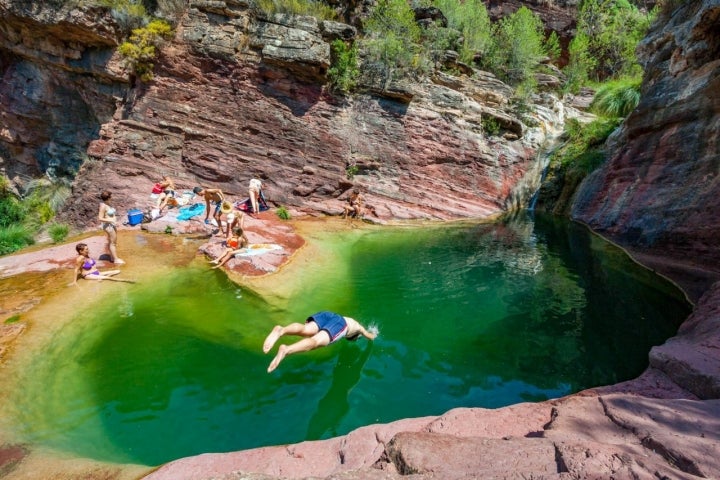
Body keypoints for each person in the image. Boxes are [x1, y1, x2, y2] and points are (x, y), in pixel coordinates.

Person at [263, 311, 377, 373]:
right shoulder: (358, 328)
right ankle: (286, 350)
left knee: (305, 329)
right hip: (340, 324)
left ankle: (281, 330)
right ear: (355, 336)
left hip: (327, 315)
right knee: (315, 341)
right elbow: (369, 336)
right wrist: (373, 335)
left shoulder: (354, 322)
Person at [98, 190, 124, 264]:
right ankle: (116, 259)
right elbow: (100, 218)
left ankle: (112, 257)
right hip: (108, 225)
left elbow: (110, 215)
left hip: (111, 225)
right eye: (111, 196)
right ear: (109, 197)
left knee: (111, 241)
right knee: (113, 242)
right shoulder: (103, 206)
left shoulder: (107, 204)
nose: (112, 197)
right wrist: (111, 221)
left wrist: (114, 221)